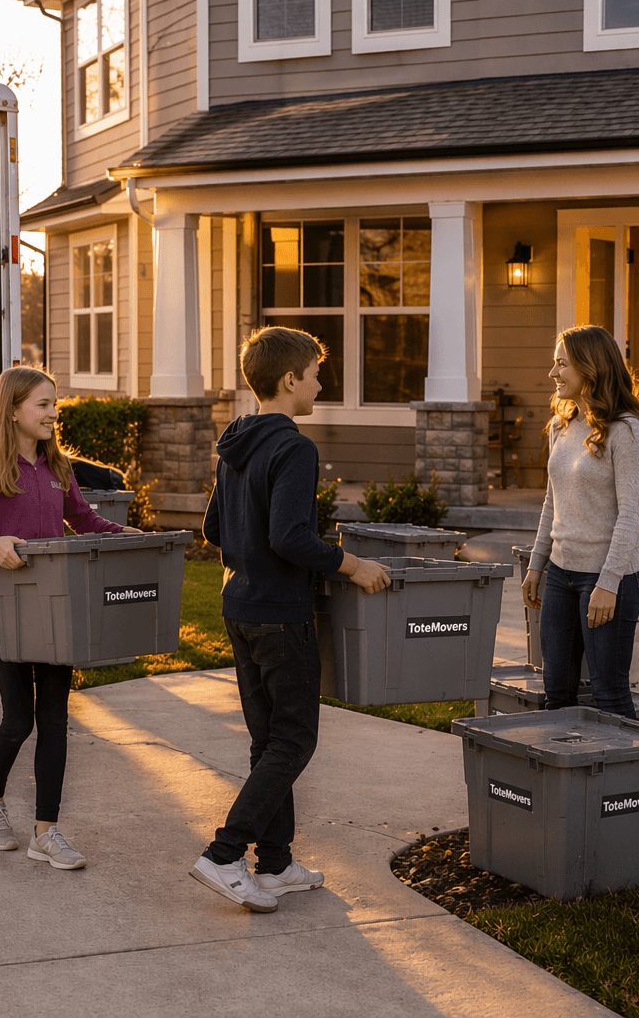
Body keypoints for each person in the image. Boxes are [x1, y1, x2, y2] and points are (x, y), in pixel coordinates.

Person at [192, 327, 391, 913]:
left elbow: (213, 530)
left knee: (267, 739)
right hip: (280, 614)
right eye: (315, 375)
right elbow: (289, 536)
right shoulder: (294, 447)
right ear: (289, 380)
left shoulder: (235, 441)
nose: (320, 384)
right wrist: (351, 565)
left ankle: (273, 862)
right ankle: (225, 853)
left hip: (239, 606)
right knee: (295, 739)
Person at [0, 365, 138, 869]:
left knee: (54, 721)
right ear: (13, 410)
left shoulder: (59, 467)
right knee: (17, 719)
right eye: (44, 404)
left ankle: (47, 833)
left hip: (56, 609)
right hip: (6, 610)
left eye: (56, 404)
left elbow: (85, 520)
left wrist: (127, 536)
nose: (55, 413)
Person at [521, 325, 639, 719]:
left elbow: (631, 516)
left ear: (589, 367)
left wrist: (608, 584)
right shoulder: (562, 424)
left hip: (609, 578)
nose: (553, 373)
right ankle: (569, 780)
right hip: (562, 575)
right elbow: (552, 500)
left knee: (609, 693)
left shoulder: (627, 430)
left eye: (561, 364)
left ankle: (623, 778)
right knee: (557, 692)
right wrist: (536, 564)